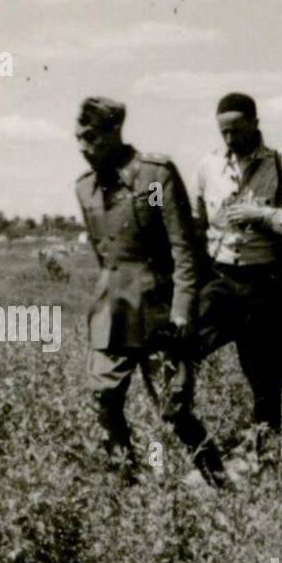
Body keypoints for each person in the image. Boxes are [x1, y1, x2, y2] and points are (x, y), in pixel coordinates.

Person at [74, 96, 227, 486]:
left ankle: (221, 483)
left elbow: (183, 248)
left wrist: (182, 311)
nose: (83, 148)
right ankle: (127, 481)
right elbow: (102, 252)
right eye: (79, 139)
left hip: (159, 311)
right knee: (103, 398)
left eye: (91, 138)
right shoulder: (86, 188)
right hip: (112, 311)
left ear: (113, 132)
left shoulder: (154, 177)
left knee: (173, 408)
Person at [192, 92, 282, 462]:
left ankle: (267, 457)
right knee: (182, 347)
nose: (229, 140)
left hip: (264, 281)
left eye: (237, 131)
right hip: (219, 275)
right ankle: (196, 445)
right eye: (223, 132)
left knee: (264, 376)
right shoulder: (207, 167)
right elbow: (197, 224)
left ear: (255, 124)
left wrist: (262, 215)